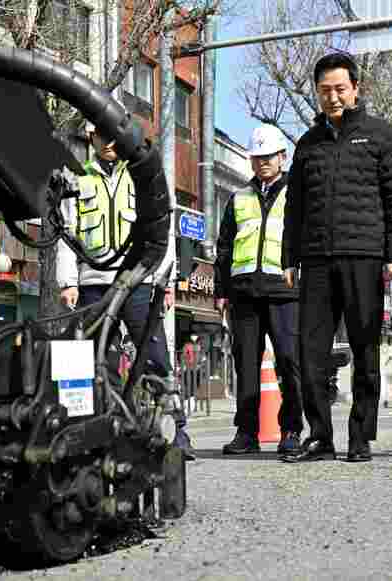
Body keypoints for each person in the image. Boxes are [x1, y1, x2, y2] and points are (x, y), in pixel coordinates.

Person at [281, 53, 392, 463]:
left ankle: (360, 435)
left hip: (365, 257)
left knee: (365, 348)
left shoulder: (381, 136)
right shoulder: (307, 144)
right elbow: (295, 206)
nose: (333, 97)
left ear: (356, 89)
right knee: (311, 352)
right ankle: (320, 435)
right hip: (316, 259)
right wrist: (289, 258)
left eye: (340, 89)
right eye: (325, 90)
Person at [56, 117, 195, 460]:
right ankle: (111, 431)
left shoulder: (142, 175)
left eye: (112, 135)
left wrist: (164, 278)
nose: (107, 142)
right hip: (92, 284)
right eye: (100, 135)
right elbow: (65, 233)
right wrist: (67, 281)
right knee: (96, 361)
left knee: (156, 358)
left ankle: (176, 434)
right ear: (90, 137)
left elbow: (163, 228)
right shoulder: (76, 175)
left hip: (137, 280)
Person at [214, 124, 304, 456]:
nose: (263, 162)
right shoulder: (239, 199)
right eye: (258, 157)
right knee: (245, 365)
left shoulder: (297, 195)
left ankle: (291, 429)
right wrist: (221, 292)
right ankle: (246, 432)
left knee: (289, 361)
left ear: (282, 156)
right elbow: (223, 249)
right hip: (244, 294)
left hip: (285, 292)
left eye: (269, 156)